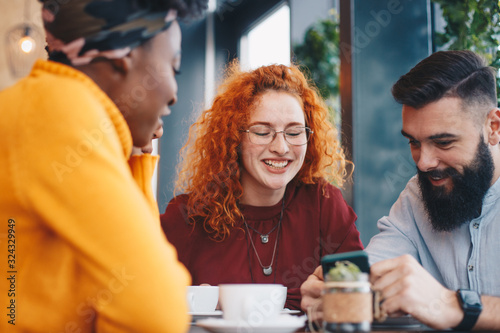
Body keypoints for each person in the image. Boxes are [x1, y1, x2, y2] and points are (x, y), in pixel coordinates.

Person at [0, 0, 207, 332]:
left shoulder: (51, 104)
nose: (173, 95)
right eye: (174, 66)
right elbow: (157, 310)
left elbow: (132, 274)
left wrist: (138, 158)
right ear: (123, 56)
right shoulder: (58, 110)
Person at [300, 50, 500, 330]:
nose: (425, 163)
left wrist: (449, 304)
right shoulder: (418, 195)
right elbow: (375, 266)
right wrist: (336, 288)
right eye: (414, 143)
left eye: (443, 142)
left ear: (493, 127)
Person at [160, 61, 363, 311]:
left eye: (294, 132)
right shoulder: (187, 217)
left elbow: (360, 299)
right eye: (262, 132)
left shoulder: (325, 203)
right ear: (235, 138)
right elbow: (146, 302)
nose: (281, 147)